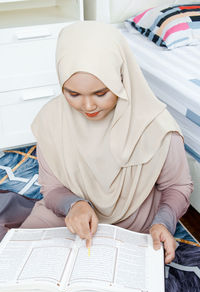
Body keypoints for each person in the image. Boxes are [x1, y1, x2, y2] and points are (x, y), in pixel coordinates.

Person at [21, 21, 193, 264]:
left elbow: (177, 187)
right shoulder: (50, 120)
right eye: (73, 94)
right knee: (21, 263)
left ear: (121, 78)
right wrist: (74, 205)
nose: (88, 107)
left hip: (135, 223)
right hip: (68, 217)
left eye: (101, 93)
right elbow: (51, 189)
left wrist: (162, 222)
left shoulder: (157, 127)